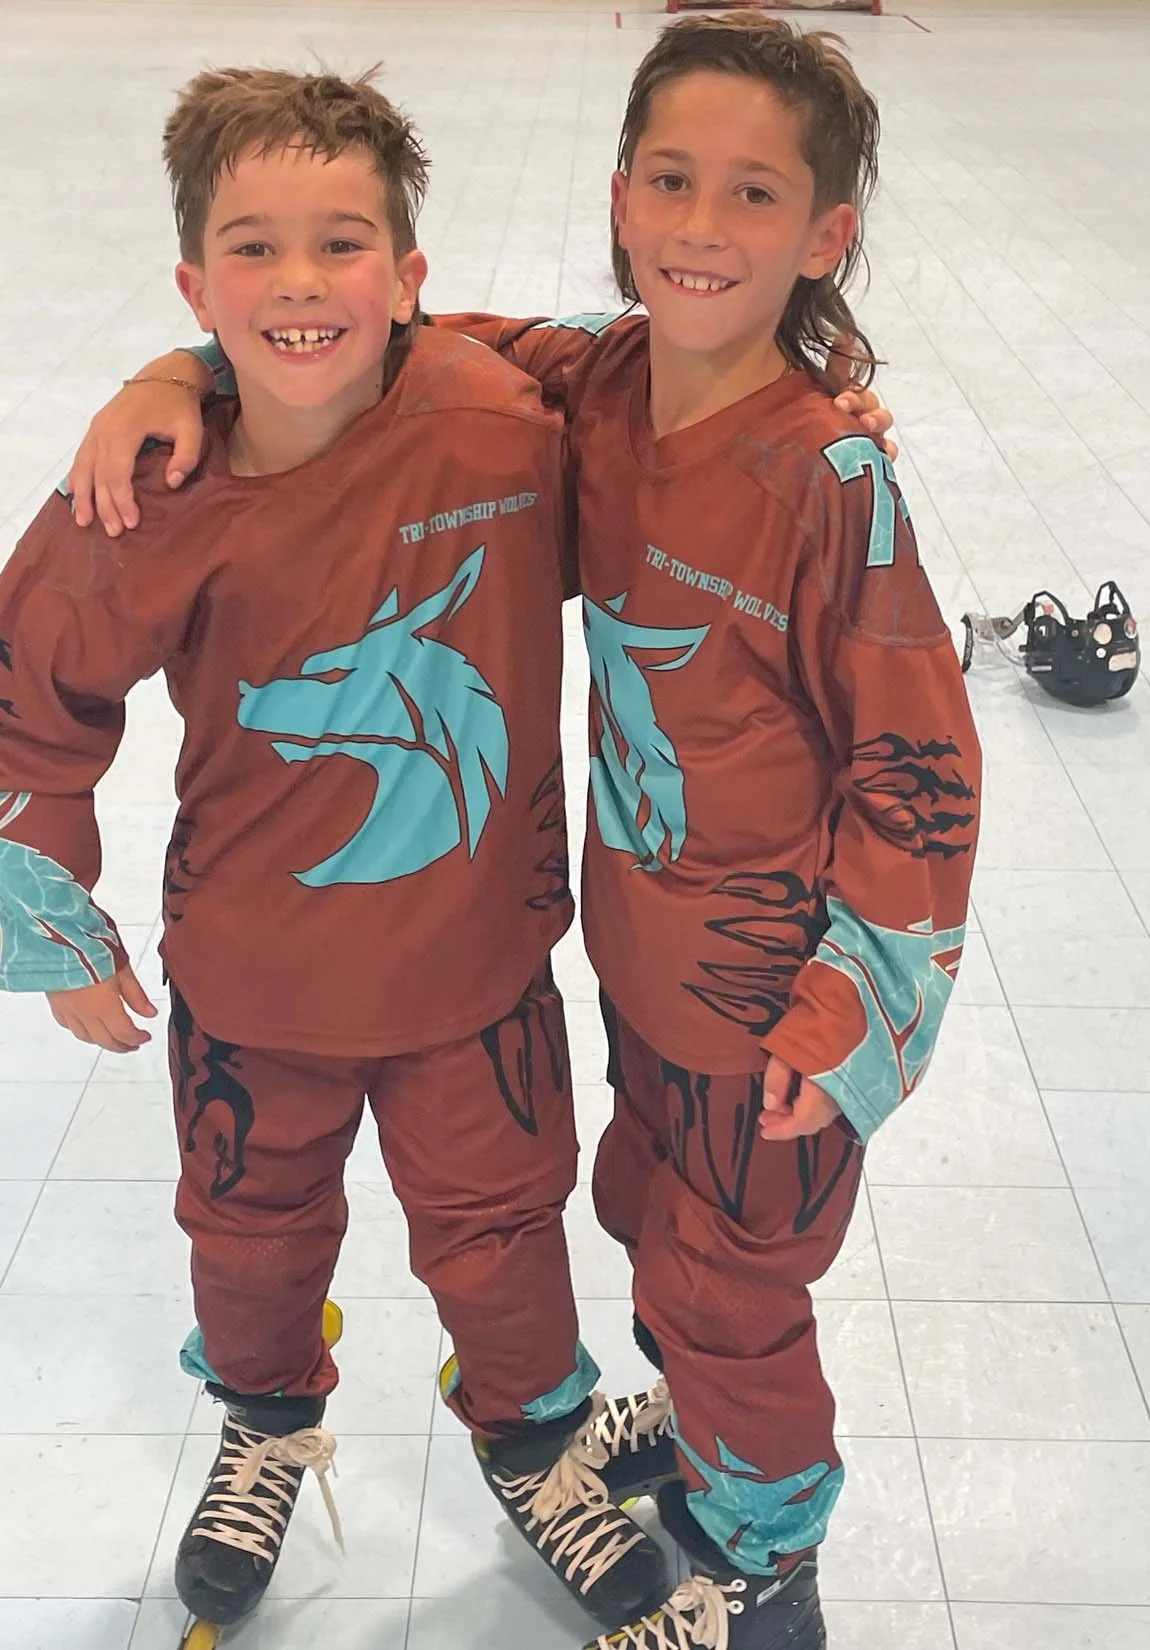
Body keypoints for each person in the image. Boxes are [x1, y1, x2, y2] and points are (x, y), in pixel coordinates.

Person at [61, 22, 934, 1650]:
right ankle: (647, 1440)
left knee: (722, 1281)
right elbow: (339, 328)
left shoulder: (818, 476)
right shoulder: (588, 388)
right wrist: (169, 373)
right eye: (668, 180)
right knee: (646, 1227)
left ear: (823, 235)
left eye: (750, 193)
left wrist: (860, 997)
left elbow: (915, 757)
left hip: (766, 994)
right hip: (630, 970)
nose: (696, 221)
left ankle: (758, 1579)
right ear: (617, 197)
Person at [0, 65, 677, 1639]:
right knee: (245, 1235)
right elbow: (34, 688)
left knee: (504, 1231)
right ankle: (263, 1419)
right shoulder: (146, 492)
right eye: (250, 251)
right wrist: (55, 917)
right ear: (193, 282)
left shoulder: (498, 422)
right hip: (252, 982)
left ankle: (531, 1437)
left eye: (340, 244)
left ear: (412, 279)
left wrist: (813, 404)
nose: (299, 282)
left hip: (477, 970)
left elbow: (661, 382)